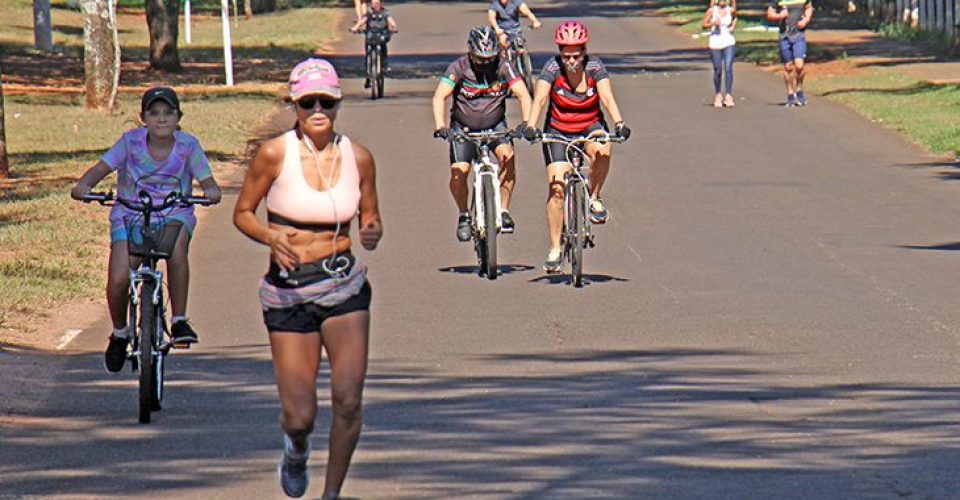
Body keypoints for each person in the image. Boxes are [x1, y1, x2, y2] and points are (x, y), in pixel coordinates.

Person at [233, 58, 382, 500]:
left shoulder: (359, 157)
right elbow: (242, 213)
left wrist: (371, 230)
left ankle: (331, 494)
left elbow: (370, 215)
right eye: (308, 102)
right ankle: (295, 450)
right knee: (300, 416)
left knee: (349, 401)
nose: (318, 109)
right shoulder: (274, 154)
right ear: (294, 104)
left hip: (343, 286)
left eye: (327, 101)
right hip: (289, 291)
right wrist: (269, 235)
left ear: (338, 103)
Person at [71, 86, 222, 373]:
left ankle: (179, 321)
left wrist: (212, 190)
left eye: (168, 113)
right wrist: (84, 185)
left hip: (174, 212)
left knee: (176, 251)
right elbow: (101, 168)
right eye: (154, 113)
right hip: (131, 214)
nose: (162, 119)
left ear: (179, 117)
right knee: (118, 277)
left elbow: (207, 179)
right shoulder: (130, 143)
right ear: (143, 118)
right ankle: (119, 332)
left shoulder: (188, 146)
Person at [523, 20, 630, 273]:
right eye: (566, 54)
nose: (571, 60)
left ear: (584, 52)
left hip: (589, 125)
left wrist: (619, 122)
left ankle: (594, 197)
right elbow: (539, 100)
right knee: (556, 187)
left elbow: (606, 97)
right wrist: (530, 125)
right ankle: (554, 248)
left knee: (603, 147)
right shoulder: (552, 68)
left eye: (575, 55)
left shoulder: (594, 67)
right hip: (558, 129)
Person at [431, 26, 532, 241]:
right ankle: (464, 215)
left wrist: (527, 123)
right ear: (470, 53)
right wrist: (441, 127)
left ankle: (503, 210)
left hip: (496, 126)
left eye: (489, 59)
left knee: (508, 156)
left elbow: (523, 93)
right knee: (460, 172)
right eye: (480, 59)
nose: (485, 64)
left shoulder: (505, 66)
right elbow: (440, 96)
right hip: (463, 129)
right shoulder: (458, 67)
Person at [766, 0, 813, 107]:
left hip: (799, 35)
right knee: (788, 67)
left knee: (799, 66)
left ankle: (799, 89)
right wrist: (780, 16)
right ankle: (790, 94)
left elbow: (809, 7)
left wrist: (806, 20)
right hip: (784, 36)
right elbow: (769, 14)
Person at [350, 0, 398, 89]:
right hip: (371, 34)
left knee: (383, 48)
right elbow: (362, 21)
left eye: (377, 3)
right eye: (374, 3)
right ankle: (368, 72)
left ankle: (384, 66)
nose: (375, 5)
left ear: (380, 4)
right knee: (368, 50)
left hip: (381, 34)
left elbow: (390, 21)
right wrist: (355, 28)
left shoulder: (385, 12)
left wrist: (394, 27)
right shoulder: (369, 12)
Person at [702, 0, 737, 108]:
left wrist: (733, 26)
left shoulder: (730, 10)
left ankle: (728, 95)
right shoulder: (712, 11)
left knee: (728, 67)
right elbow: (703, 25)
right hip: (715, 42)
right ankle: (718, 94)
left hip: (728, 41)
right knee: (718, 70)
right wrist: (713, 23)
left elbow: (736, 17)